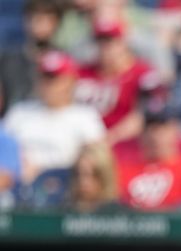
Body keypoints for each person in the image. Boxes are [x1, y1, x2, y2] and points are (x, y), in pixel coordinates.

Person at [4, 50, 106, 186]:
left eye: (54, 78)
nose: (48, 84)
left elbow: (96, 159)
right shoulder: (19, 113)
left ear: (71, 81)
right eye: (44, 76)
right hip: (18, 187)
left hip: (66, 188)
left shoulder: (85, 117)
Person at [74, 15, 158, 146]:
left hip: (124, 145)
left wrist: (109, 138)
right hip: (82, 143)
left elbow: (144, 116)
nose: (105, 48)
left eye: (110, 41)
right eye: (100, 42)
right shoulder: (82, 72)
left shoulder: (142, 73)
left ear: (123, 42)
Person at [115, 100, 181, 210]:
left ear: (176, 130)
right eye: (150, 128)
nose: (156, 136)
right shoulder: (122, 171)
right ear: (141, 134)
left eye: (164, 128)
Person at [0, 0, 65, 116]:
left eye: (47, 19)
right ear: (26, 21)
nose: (40, 26)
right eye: (35, 19)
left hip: (53, 121)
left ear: (56, 23)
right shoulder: (8, 58)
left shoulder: (64, 60)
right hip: (14, 120)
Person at [68, 143, 118, 212]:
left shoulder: (121, 216)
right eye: (78, 174)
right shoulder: (61, 214)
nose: (82, 182)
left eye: (93, 175)